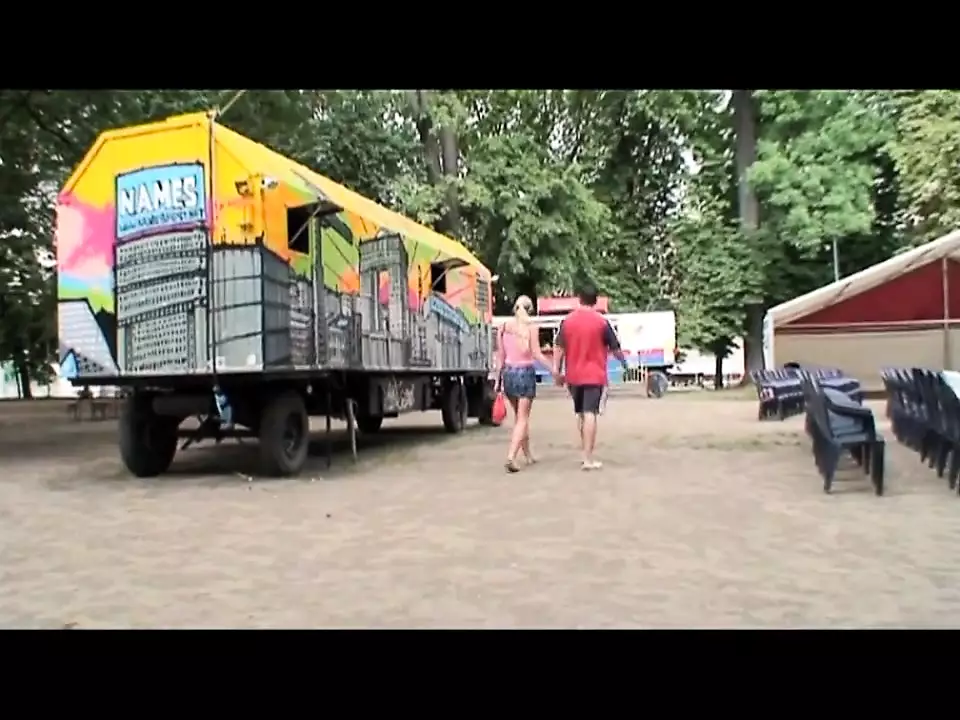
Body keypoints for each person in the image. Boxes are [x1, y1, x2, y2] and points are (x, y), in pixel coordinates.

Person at [552, 284, 627, 470]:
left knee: (581, 413)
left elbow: (559, 347)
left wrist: (556, 370)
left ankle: (584, 452)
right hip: (594, 375)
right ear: (595, 300)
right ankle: (588, 458)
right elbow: (615, 348)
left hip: (573, 375)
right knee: (590, 413)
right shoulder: (602, 323)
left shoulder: (567, 321)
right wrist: (624, 362)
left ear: (580, 298)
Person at [496, 295, 555, 473]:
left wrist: (497, 380)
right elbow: (536, 354)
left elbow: (500, 357)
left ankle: (528, 454)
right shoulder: (531, 328)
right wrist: (553, 370)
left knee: (519, 418)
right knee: (522, 419)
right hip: (525, 373)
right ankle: (511, 457)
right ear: (530, 310)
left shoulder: (503, 328)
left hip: (508, 374)